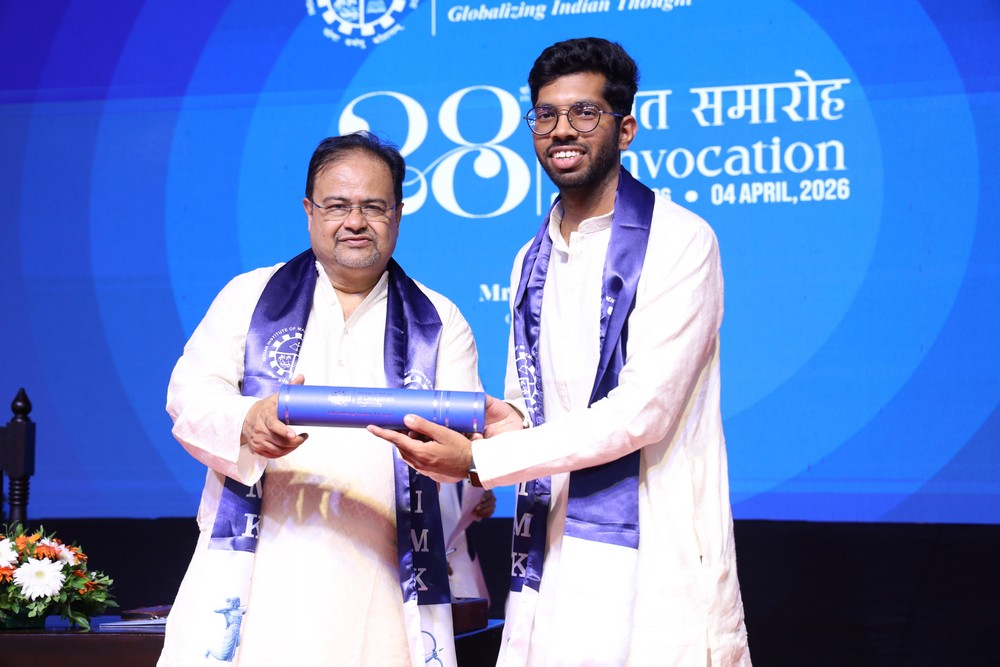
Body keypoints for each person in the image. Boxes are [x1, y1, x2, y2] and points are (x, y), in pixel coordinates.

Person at [369, 38, 752, 665]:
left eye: (584, 113)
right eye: (545, 114)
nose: (562, 130)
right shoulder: (531, 257)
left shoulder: (680, 240)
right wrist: (493, 425)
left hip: (656, 553)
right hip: (553, 550)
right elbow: (530, 406)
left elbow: (642, 413)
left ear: (625, 129)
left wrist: (482, 460)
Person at [159, 132, 482, 667]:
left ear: (398, 213)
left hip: (386, 577)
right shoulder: (249, 296)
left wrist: (453, 458)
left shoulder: (440, 321)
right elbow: (188, 396)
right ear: (309, 211)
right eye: (337, 206)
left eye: (373, 207)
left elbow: (462, 451)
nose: (355, 221)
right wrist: (249, 419)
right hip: (261, 569)